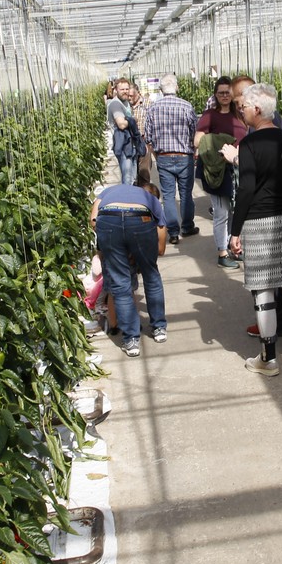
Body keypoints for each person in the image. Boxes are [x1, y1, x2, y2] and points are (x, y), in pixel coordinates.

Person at [228, 83, 282, 376]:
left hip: (259, 222)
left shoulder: (249, 145)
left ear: (256, 109)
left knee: (263, 288)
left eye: (243, 107)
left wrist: (235, 230)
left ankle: (269, 357)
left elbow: (246, 190)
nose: (241, 111)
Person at [91, 176, 168, 358]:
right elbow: (161, 232)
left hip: (109, 219)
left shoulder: (106, 193)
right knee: (151, 275)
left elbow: (94, 221)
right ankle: (159, 328)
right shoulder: (150, 199)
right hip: (140, 220)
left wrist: (115, 246)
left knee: (120, 282)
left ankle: (131, 340)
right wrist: (142, 252)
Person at [194, 77, 247, 268]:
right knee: (221, 213)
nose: (224, 96)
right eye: (220, 93)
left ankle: (235, 248)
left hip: (238, 167)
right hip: (217, 170)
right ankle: (222, 253)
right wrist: (219, 142)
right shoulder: (210, 115)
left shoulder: (240, 114)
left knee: (236, 210)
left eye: (227, 92)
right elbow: (197, 140)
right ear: (215, 95)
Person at [143, 74, 200, 244]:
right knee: (186, 194)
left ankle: (173, 232)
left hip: (164, 157)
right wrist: (193, 151)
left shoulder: (153, 108)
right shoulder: (186, 106)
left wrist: (156, 155)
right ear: (176, 87)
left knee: (168, 195)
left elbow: (148, 137)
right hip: (184, 156)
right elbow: (194, 133)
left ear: (161, 90)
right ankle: (187, 227)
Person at [106, 78, 140, 185]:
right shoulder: (115, 104)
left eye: (126, 89)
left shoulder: (126, 102)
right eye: (122, 89)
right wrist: (133, 120)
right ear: (116, 90)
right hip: (124, 146)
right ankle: (127, 195)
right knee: (127, 178)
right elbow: (121, 124)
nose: (125, 91)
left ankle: (132, 194)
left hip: (131, 144)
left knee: (133, 178)